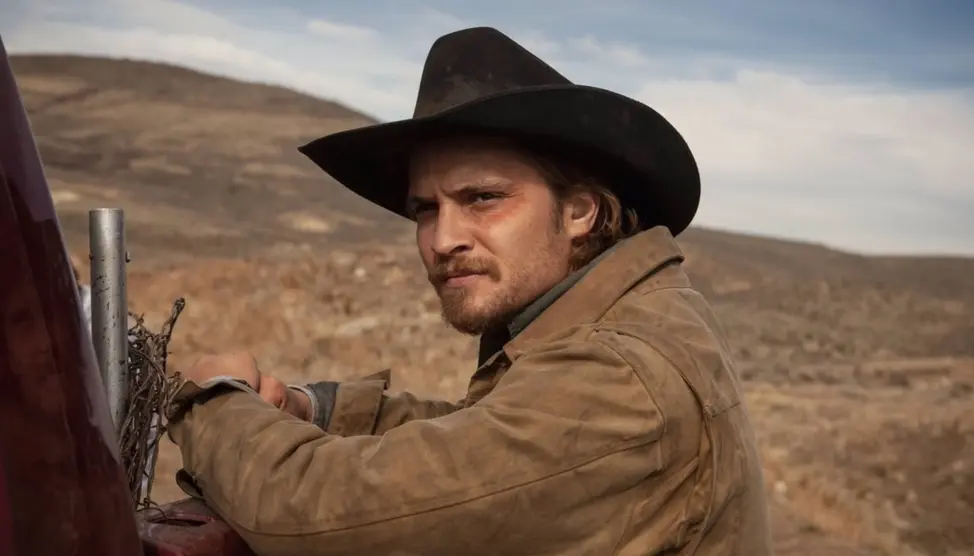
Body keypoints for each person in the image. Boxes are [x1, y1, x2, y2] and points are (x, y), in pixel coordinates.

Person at [166, 27, 773, 555]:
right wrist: (314, 410)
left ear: (580, 211)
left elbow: (317, 512)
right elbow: (483, 439)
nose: (442, 239)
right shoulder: (622, 319)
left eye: (483, 198)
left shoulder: (620, 376)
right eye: (425, 210)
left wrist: (216, 400)